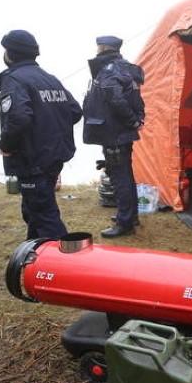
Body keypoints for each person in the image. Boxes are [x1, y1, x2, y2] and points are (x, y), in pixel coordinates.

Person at [0, 29, 83, 240]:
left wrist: (6, 146)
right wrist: (49, 129)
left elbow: (19, 118)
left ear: (10, 53)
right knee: (34, 208)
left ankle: (62, 264)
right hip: (52, 156)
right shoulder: (49, 78)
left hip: (33, 159)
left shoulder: (14, 80)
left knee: (44, 214)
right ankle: (34, 249)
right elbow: (74, 111)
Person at [82, 35, 146, 238]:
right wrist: (135, 121)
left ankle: (125, 223)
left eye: (98, 47)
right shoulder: (126, 68)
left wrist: (132, 121)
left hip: (114, 132)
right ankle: (131, 215)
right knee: (125, 174)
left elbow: (115, 99)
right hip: (121, 132)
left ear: (102, 48)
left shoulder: (109, 71)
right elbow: (135, 99)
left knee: (120, 177)